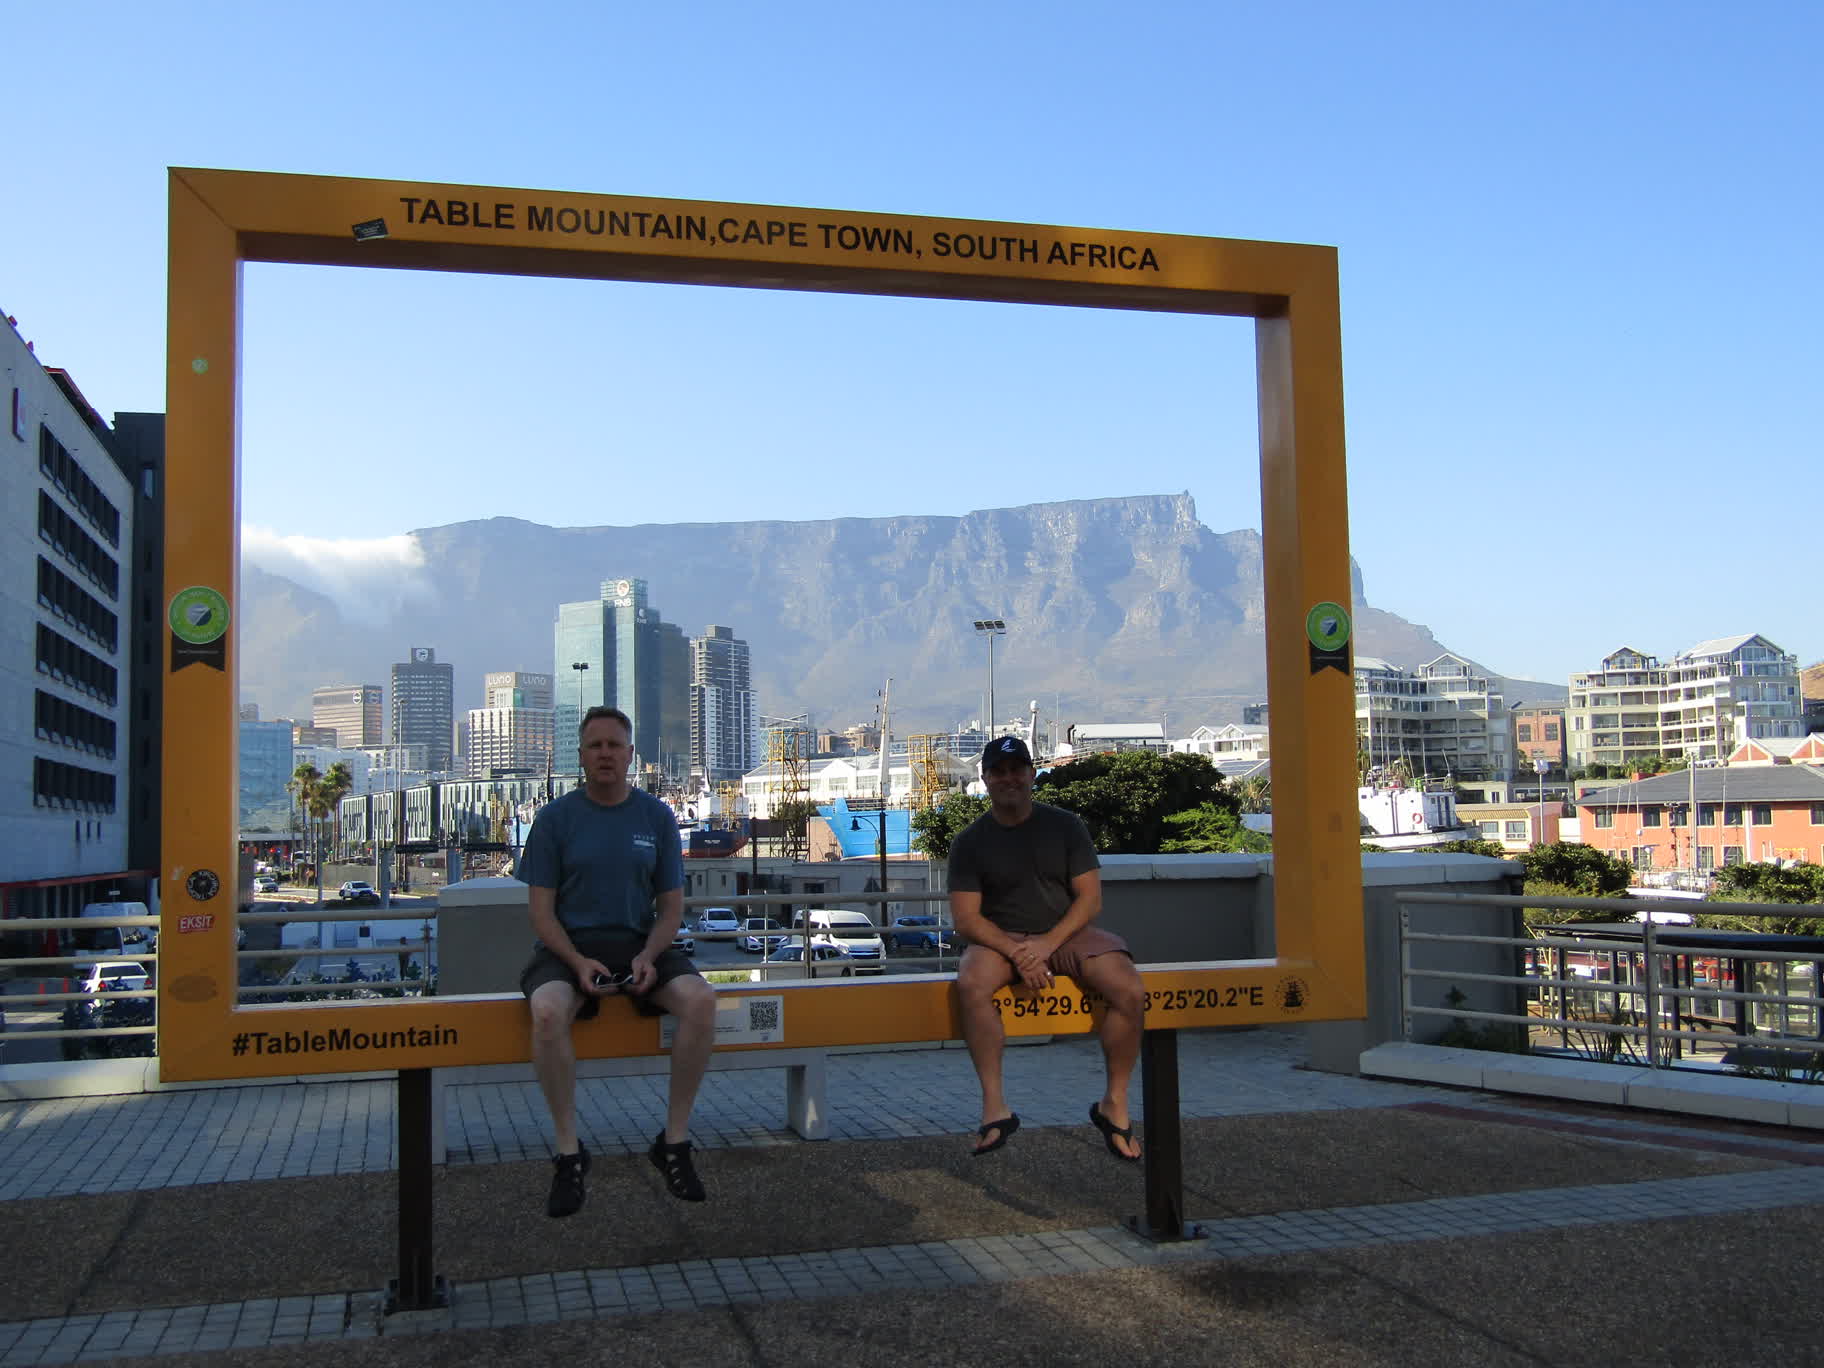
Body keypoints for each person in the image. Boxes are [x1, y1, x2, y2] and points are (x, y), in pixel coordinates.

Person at [517, 706, 717, 1217]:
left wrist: (649, 955)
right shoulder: (554, 820)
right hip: (567, 951)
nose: (605, 754)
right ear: (581, 756)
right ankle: (569, 1152)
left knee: (701, 1001)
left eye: (614, 745)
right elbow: (541, 913)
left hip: (640, 946)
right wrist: (576, 961)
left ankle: (673, 1143)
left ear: (630, 755)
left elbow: (670, 910)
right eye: (595, 745)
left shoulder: (657, 817)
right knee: (547, 1011)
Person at [948, 736, 1146, 1162]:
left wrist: (1044, 945)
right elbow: (966, 919)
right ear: (985, 778)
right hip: (1001, 941)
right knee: (971, 984)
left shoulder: (1066, 826)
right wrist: (1019, 952)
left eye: (1017, 770)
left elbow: (1090, 900)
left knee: (1129, 990)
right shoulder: (969, 841)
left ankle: (1114, 1102)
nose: (1009, 779)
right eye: (999, 771)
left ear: (1032, 774)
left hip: (1066, 935)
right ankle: (994, 1107)